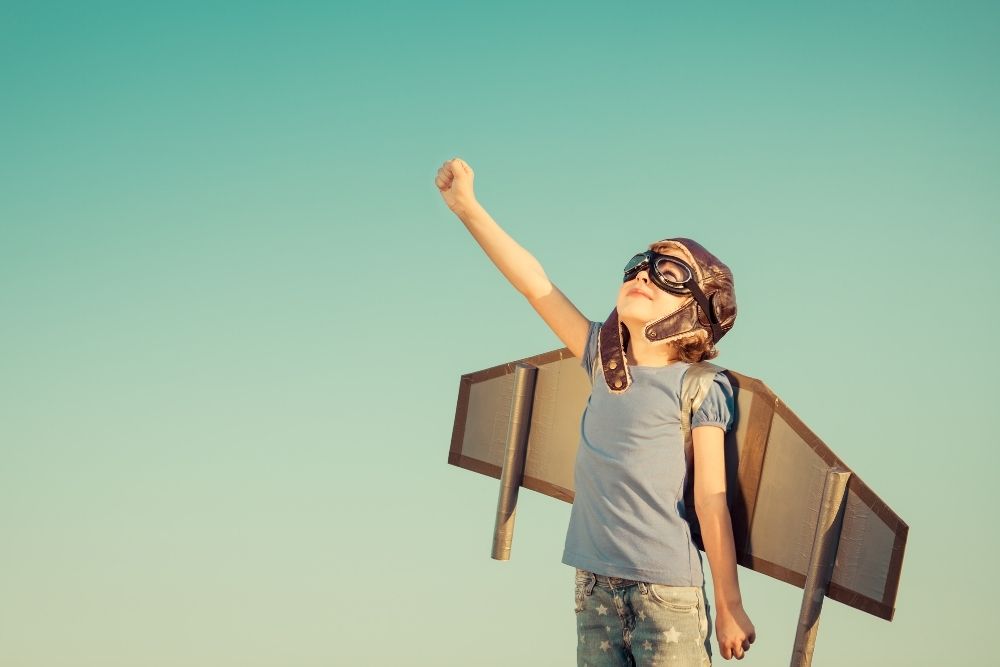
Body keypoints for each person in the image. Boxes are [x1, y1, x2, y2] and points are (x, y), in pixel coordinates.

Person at [435, 157, 756, 665]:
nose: (644, 276)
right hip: (593, 591)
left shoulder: (699, 386)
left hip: (666, 595)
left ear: (695, 309)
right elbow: (534, 283)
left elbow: (711, 500)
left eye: (668, 274)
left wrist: (730, 604)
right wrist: (469, 209)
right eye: (639, 266)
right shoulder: (600, 361)